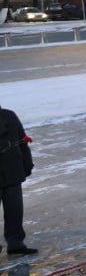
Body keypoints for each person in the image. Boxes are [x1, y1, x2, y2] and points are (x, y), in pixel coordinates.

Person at [1, 105, 35, 257]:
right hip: (11, 172)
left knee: (14, 210)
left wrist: (27, 164)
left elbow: (22, 141)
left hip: (12, 173)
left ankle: (15, 244)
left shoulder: (9, 116)